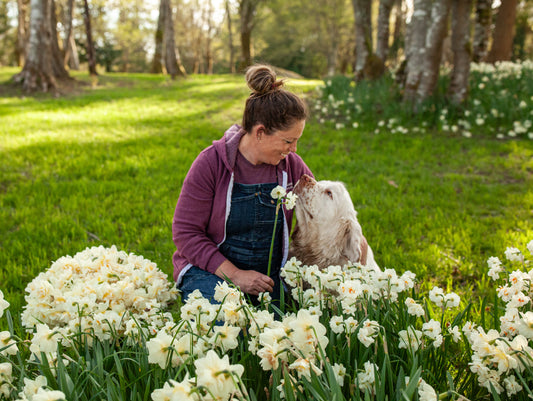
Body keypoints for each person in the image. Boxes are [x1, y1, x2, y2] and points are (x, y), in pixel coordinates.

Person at [172, 64, 313, 305]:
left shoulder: (291, 166)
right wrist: (236, 276)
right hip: (210, 271)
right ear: (260, 132)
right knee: (227, 322)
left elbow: (321, 207)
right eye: (289, 141)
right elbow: (186, 233)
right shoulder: (211, 163)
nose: (294, 150)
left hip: (266, 276)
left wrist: (355, 242)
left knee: (293, 324)